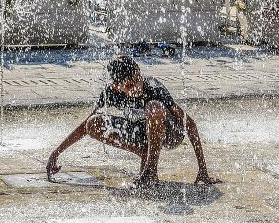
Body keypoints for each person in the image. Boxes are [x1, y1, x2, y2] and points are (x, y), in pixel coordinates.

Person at [46, 55, 221, 187]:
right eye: (128, 86)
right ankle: (142, 153)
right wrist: (57, 152)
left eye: (137, 80)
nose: (136, 88)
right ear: (116, 86)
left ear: (138, 71)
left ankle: (150, 171)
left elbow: (189, 124)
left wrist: (203, 170)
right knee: (94, 122)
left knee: (154, 108)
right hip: (142, 134)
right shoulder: (111, 93)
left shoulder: (153, 88)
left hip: (171, 134)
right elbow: (85, 126)